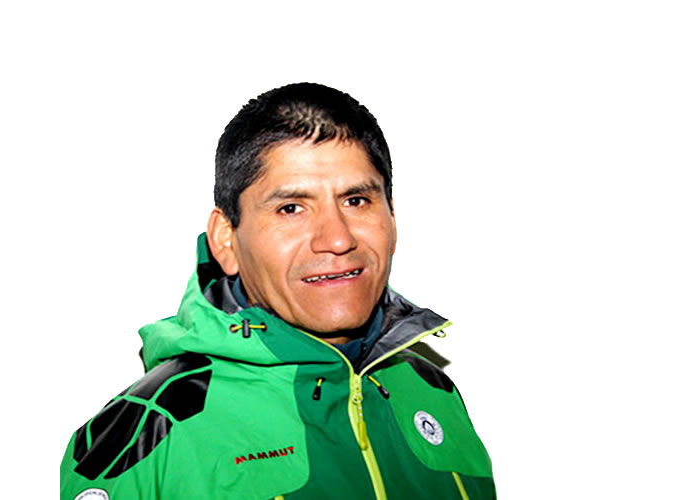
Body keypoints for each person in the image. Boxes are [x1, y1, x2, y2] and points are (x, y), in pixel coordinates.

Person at [60, 83, 495, 499]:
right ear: (226, 239)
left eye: (356, 201)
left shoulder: (433, 391)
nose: (337, 238)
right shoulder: (148, 432)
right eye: (291, 208)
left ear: (392, 218)